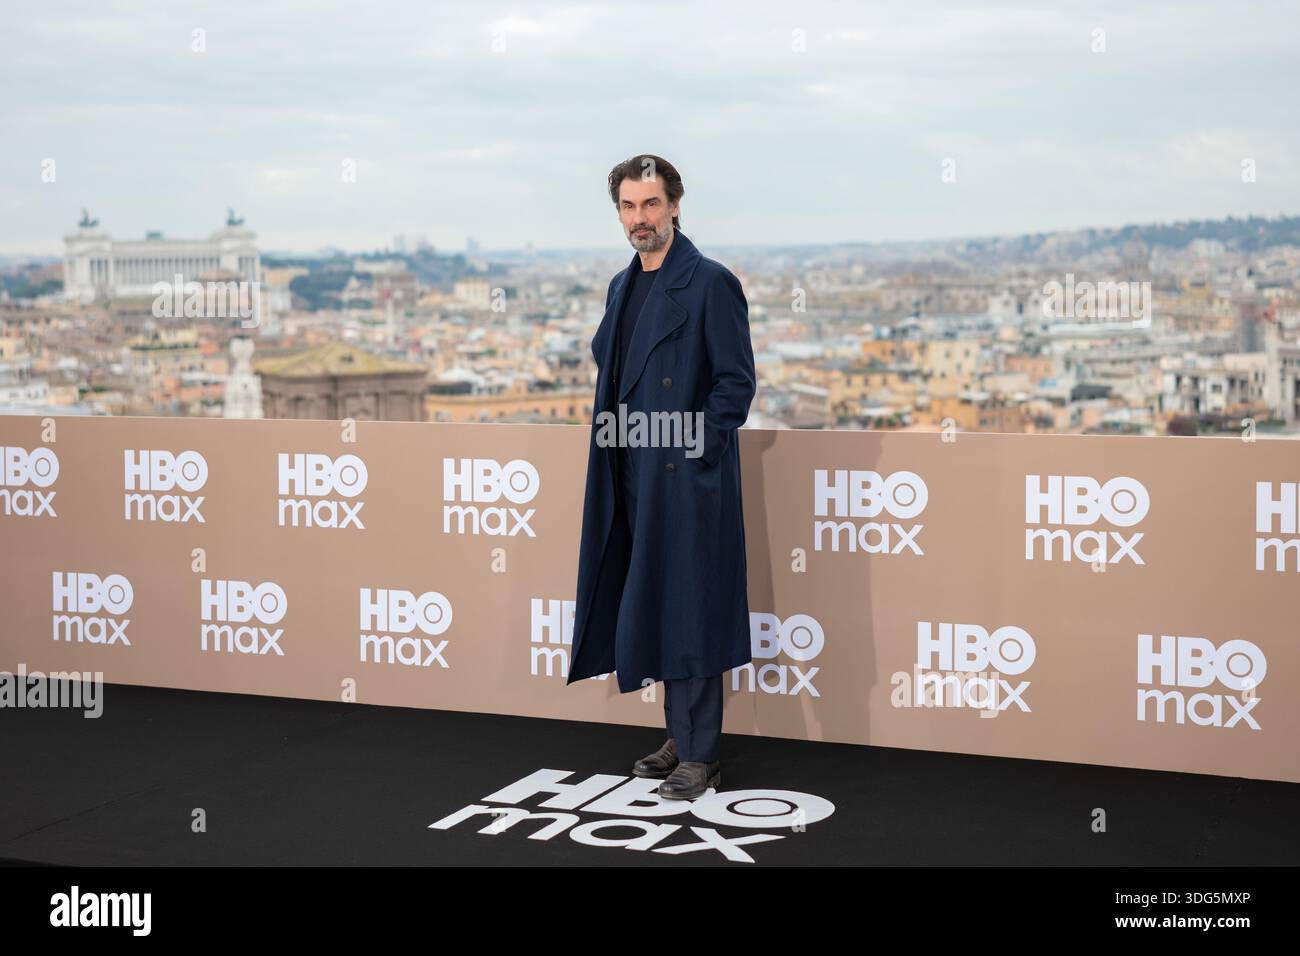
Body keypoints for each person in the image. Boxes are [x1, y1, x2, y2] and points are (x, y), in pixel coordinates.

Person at [566, 153, 757, 800]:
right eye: (627, 206)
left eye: (650, 204)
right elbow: (609, 360)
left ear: (674, 205)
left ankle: (701, 756)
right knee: (651, 601)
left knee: (692, 608)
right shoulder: (622, 286)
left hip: (683, 477)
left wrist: (697, 450)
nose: (639, 218)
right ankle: (681, 735)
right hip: (628, 467)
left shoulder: (709, 282)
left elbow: (736, 383)